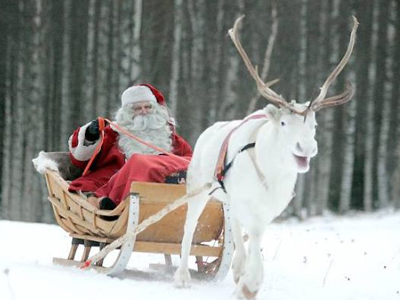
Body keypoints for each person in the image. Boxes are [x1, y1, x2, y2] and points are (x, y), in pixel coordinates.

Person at [68, 84, 192, 210]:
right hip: (121, 182)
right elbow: (83, 160)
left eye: (148, 107)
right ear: (127, 113)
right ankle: (113, 203)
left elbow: (189, 160)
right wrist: (90, 136)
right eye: (137, 108)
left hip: (163, 185)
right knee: (138, 163)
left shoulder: (168, 135)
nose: (144, 112)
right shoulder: (114, 133)